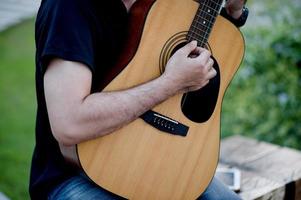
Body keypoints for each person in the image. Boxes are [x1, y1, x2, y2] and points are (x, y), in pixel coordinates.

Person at [29, 0, 248, 199]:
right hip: (77, 175)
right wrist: (170, 83)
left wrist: (233, 12)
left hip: (170, 169)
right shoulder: (68, 8)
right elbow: (70, 124)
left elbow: (207, 36)